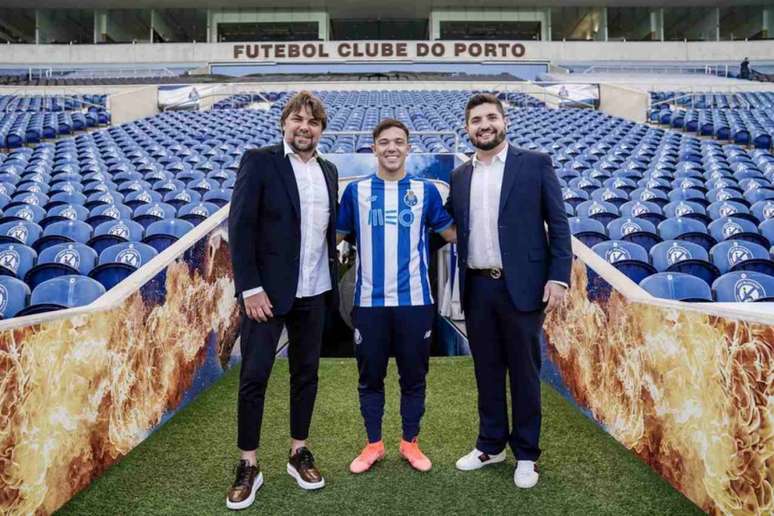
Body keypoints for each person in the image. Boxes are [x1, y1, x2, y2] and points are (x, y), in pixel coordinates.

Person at [445, 93, 572, 488]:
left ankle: (527, 454)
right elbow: (449, 226)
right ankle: (491, 444)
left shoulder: (534, 164)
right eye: (476, 120)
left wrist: (558, 276)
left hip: (523, 287)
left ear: (504, 122)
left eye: (491, 118)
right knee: (486, 370)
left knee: (524, 372)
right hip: (478, 286)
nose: (484, 125)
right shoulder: (460, 175)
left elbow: (559, 224)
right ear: (467, 129)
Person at [226, 91, 339, 510]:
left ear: (321, 129)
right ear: (284, 124)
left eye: (312, 121)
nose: (304, 127)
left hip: (316, 290)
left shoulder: (329, 171)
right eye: (297, 119)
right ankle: (248, 463)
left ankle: (298, 452)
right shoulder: (260, 161)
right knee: (255, 375)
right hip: (267, 296)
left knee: (306, 375)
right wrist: (250, 288)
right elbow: (240, 227)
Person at [336, 119, 456, 474]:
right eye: (384, 142)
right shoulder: (355, 193)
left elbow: (450, 233)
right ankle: (373, 445)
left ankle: (410, 443)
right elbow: (335, 236)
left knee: (414, 377)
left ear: (408, 148)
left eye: (399, 142)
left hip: (415, 303)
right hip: (369, 304)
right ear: (373, 147)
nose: (392, 147)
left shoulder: (425, 191)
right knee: (370, 378)